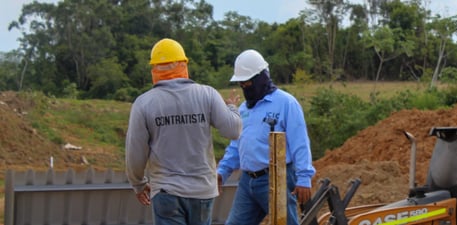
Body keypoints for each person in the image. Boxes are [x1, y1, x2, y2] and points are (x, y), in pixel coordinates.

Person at [125, 38, 243, 225]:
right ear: (184, 65)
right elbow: (233, 130)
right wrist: (232, 109)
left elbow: (135, 153)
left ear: (154, 69)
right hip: (202, 192)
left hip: (166, 192)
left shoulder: (143, 103)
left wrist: (139, 184)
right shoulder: (207, 94)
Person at [217, 49, 316, 225]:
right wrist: (222, 172)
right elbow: (236, 146)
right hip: (247, 182)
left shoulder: (286, 103)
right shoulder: (244, 109)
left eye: (247, 83)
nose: (244, 87)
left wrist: (304, 178)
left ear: (260, 78)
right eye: (241, 84)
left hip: (276, 179)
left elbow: (300, 143)